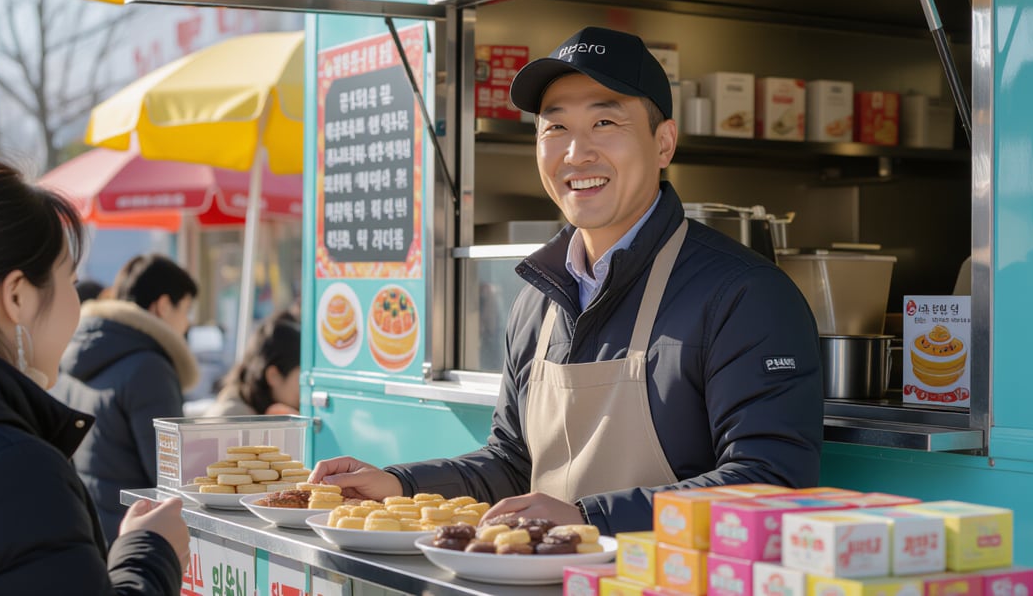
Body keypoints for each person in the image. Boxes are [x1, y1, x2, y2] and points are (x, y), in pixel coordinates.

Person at [310, 27, 824, 535]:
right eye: (554, 128)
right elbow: (513, 463)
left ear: (663, 143)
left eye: (605, 121)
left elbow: (771, 483)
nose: (576, 153)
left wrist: (586, 518)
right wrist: (399, 483)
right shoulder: (538, 297)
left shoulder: (744, 294)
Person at [0, 159, 188, 594]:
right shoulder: (11, 472)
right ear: (17, 295)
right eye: (71, 279)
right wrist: (150, 554)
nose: (78, 305)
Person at [51, 253, 199, 544]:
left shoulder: (77, 356)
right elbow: (169, 475)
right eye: (185, 309)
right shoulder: (149, 367)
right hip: (139, 539)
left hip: (90, 532)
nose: (187, 323)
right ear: (163, 305)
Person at [203, 310, 301, 417]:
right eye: (300, 378)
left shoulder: (251, 410)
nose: (306, 389)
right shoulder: (233, 419)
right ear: (273, 375)